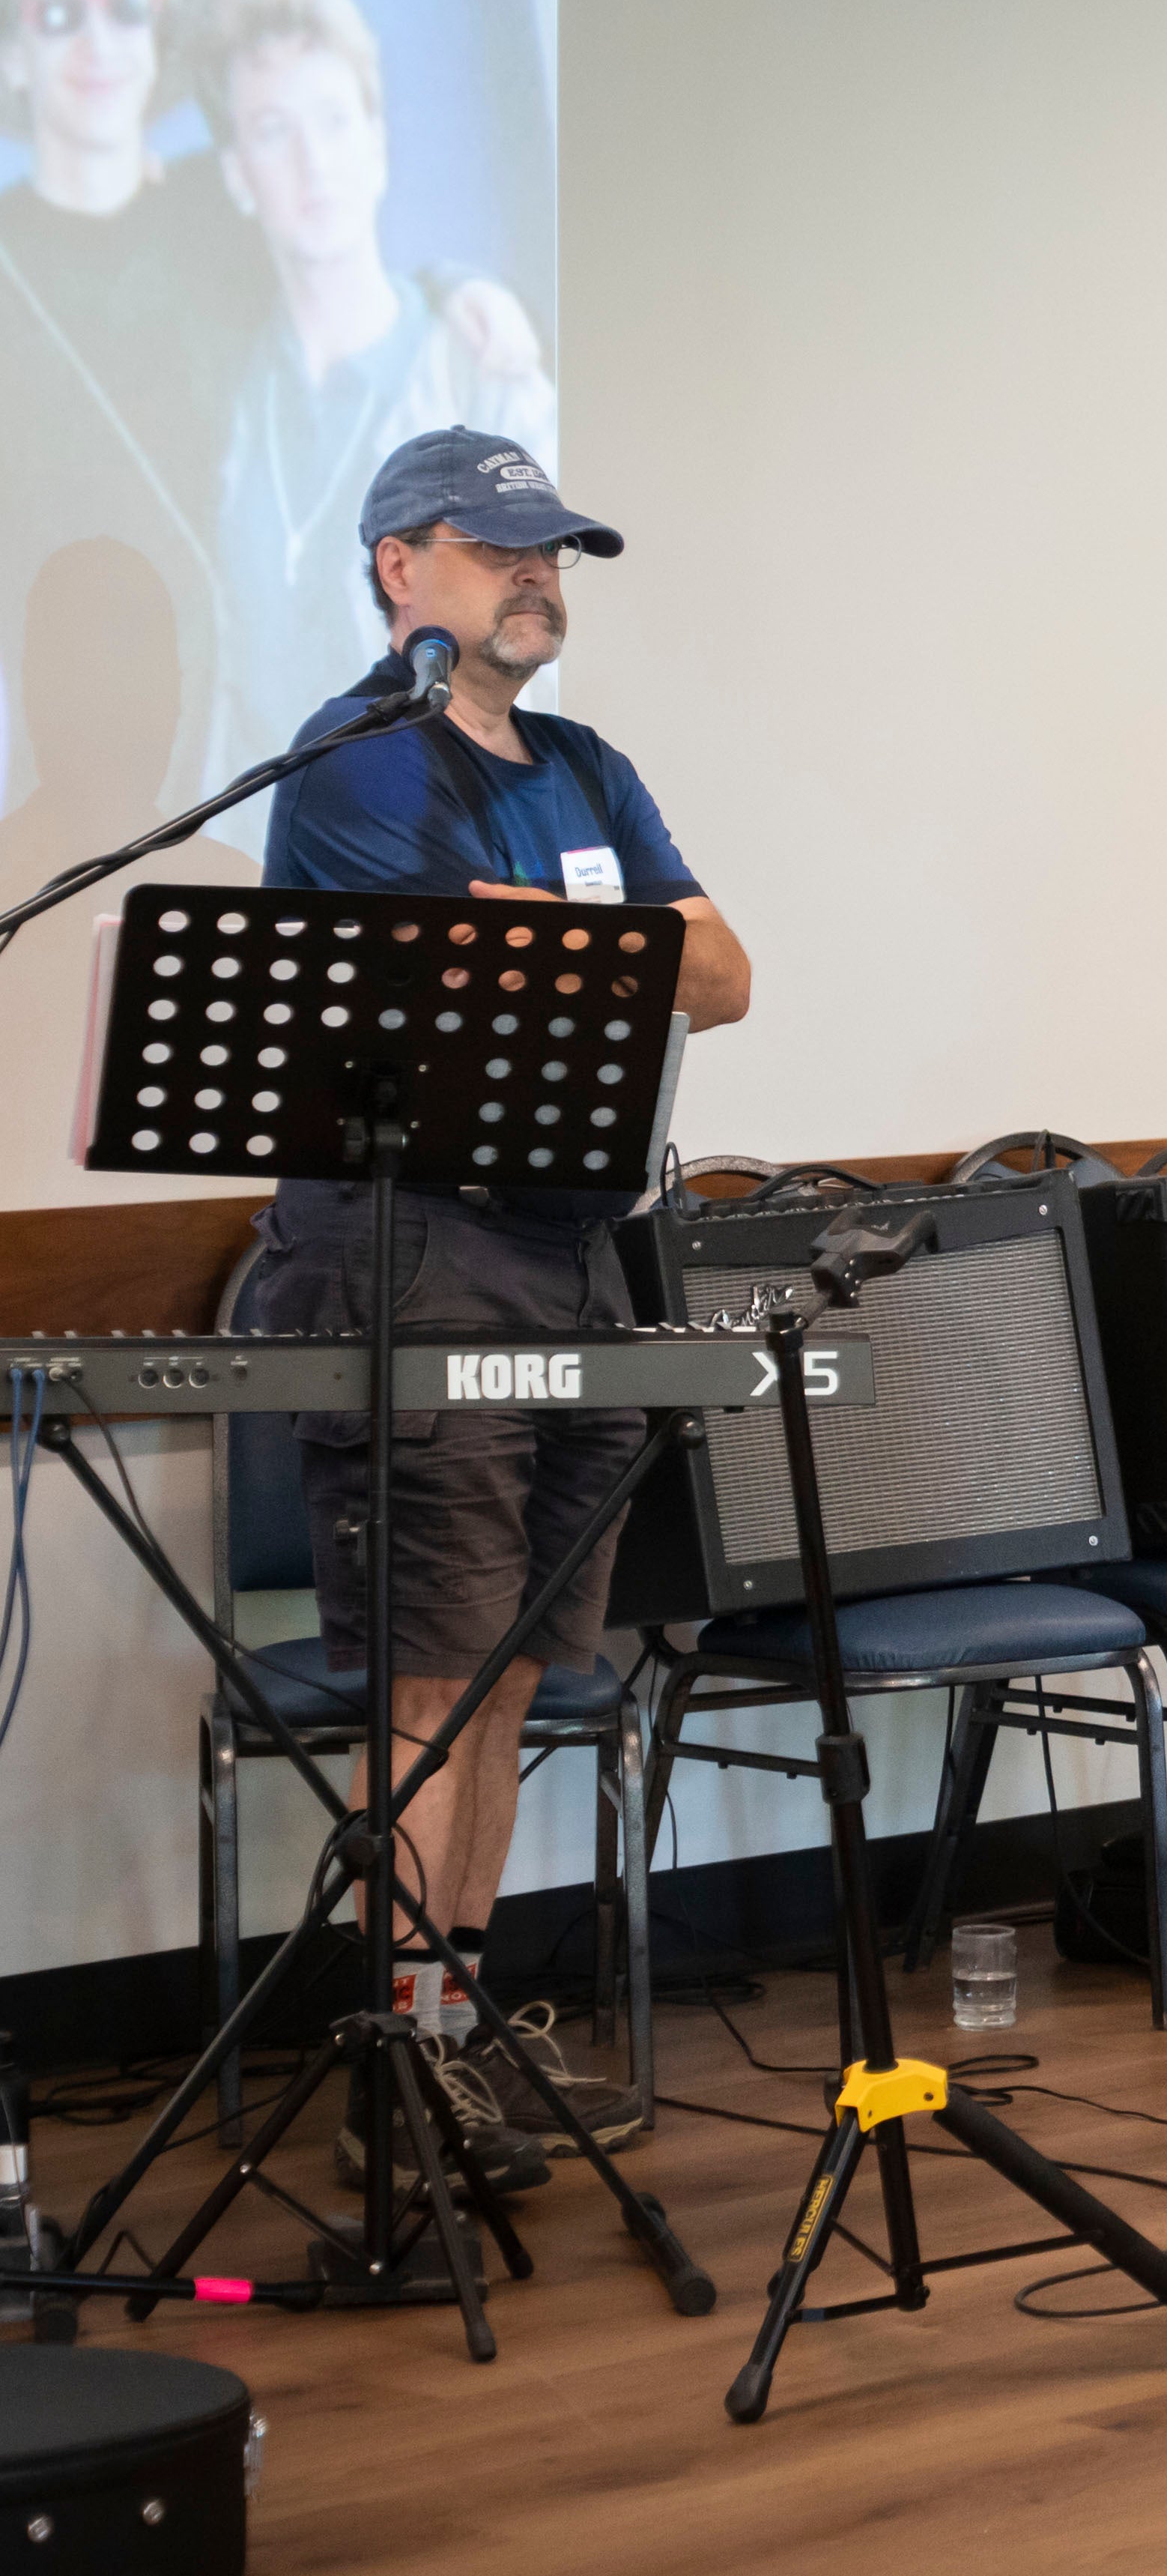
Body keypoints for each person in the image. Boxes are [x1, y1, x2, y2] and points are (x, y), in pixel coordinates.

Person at [252, 426, 753, 2186]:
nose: (542, 578)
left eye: (558, 555)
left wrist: (549, 930)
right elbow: (489, 957)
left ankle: (450, 2031)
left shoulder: (586, 762)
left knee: (523, 1662)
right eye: (503, 548)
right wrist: (600, 940)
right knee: (433, 1665)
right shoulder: (353, 760)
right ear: (401, 565)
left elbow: (727, 972)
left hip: (577, 1238)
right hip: (417, 1244)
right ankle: (398, 2059)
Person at [192, 0, 558, 848]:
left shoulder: (480, 366)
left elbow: (530, 646)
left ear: (378, 139)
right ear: (239, 173)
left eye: (332, 118)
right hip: (267, 854)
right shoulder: (223, 401)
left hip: (450, 839)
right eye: (275, 131)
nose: (313, 159)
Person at [0, 0, 257, 819]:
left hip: (246, 720)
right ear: (14, 54)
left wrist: (460, 289)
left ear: (161, 33)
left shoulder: (234, 221)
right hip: (63, 744)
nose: (98, 44)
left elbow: (356, 296)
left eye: (125, 8)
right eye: (58, 13)